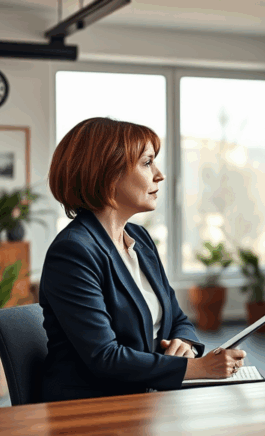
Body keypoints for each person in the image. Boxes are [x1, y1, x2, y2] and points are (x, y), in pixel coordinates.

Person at [41, 117, 246, 403]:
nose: (159, 175)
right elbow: (104, 357)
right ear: (107, 174)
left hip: (147, 398)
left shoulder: (141, 239)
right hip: (93, 408)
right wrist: (198, 368)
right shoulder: (74, 252)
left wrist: (183, 343)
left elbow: (177, 317)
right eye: (147, 163)